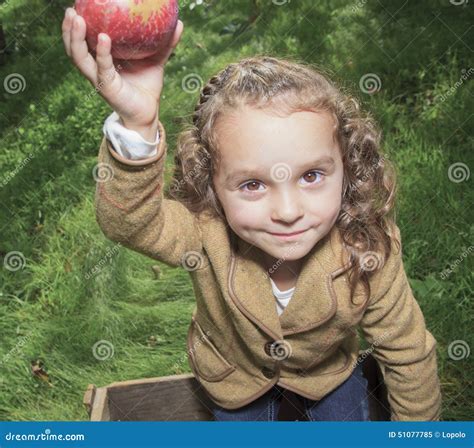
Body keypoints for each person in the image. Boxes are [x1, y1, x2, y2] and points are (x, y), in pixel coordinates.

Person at [61, 7, 442, 421]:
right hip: (233, 378)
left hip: (328, 374)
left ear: (348, 168)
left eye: (312, 175)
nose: (288, 211)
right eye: (252, 185)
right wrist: (137, 123)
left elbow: (407, 353)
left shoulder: (368, 247)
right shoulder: (205, 234)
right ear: (212, 185)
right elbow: (128, 222)